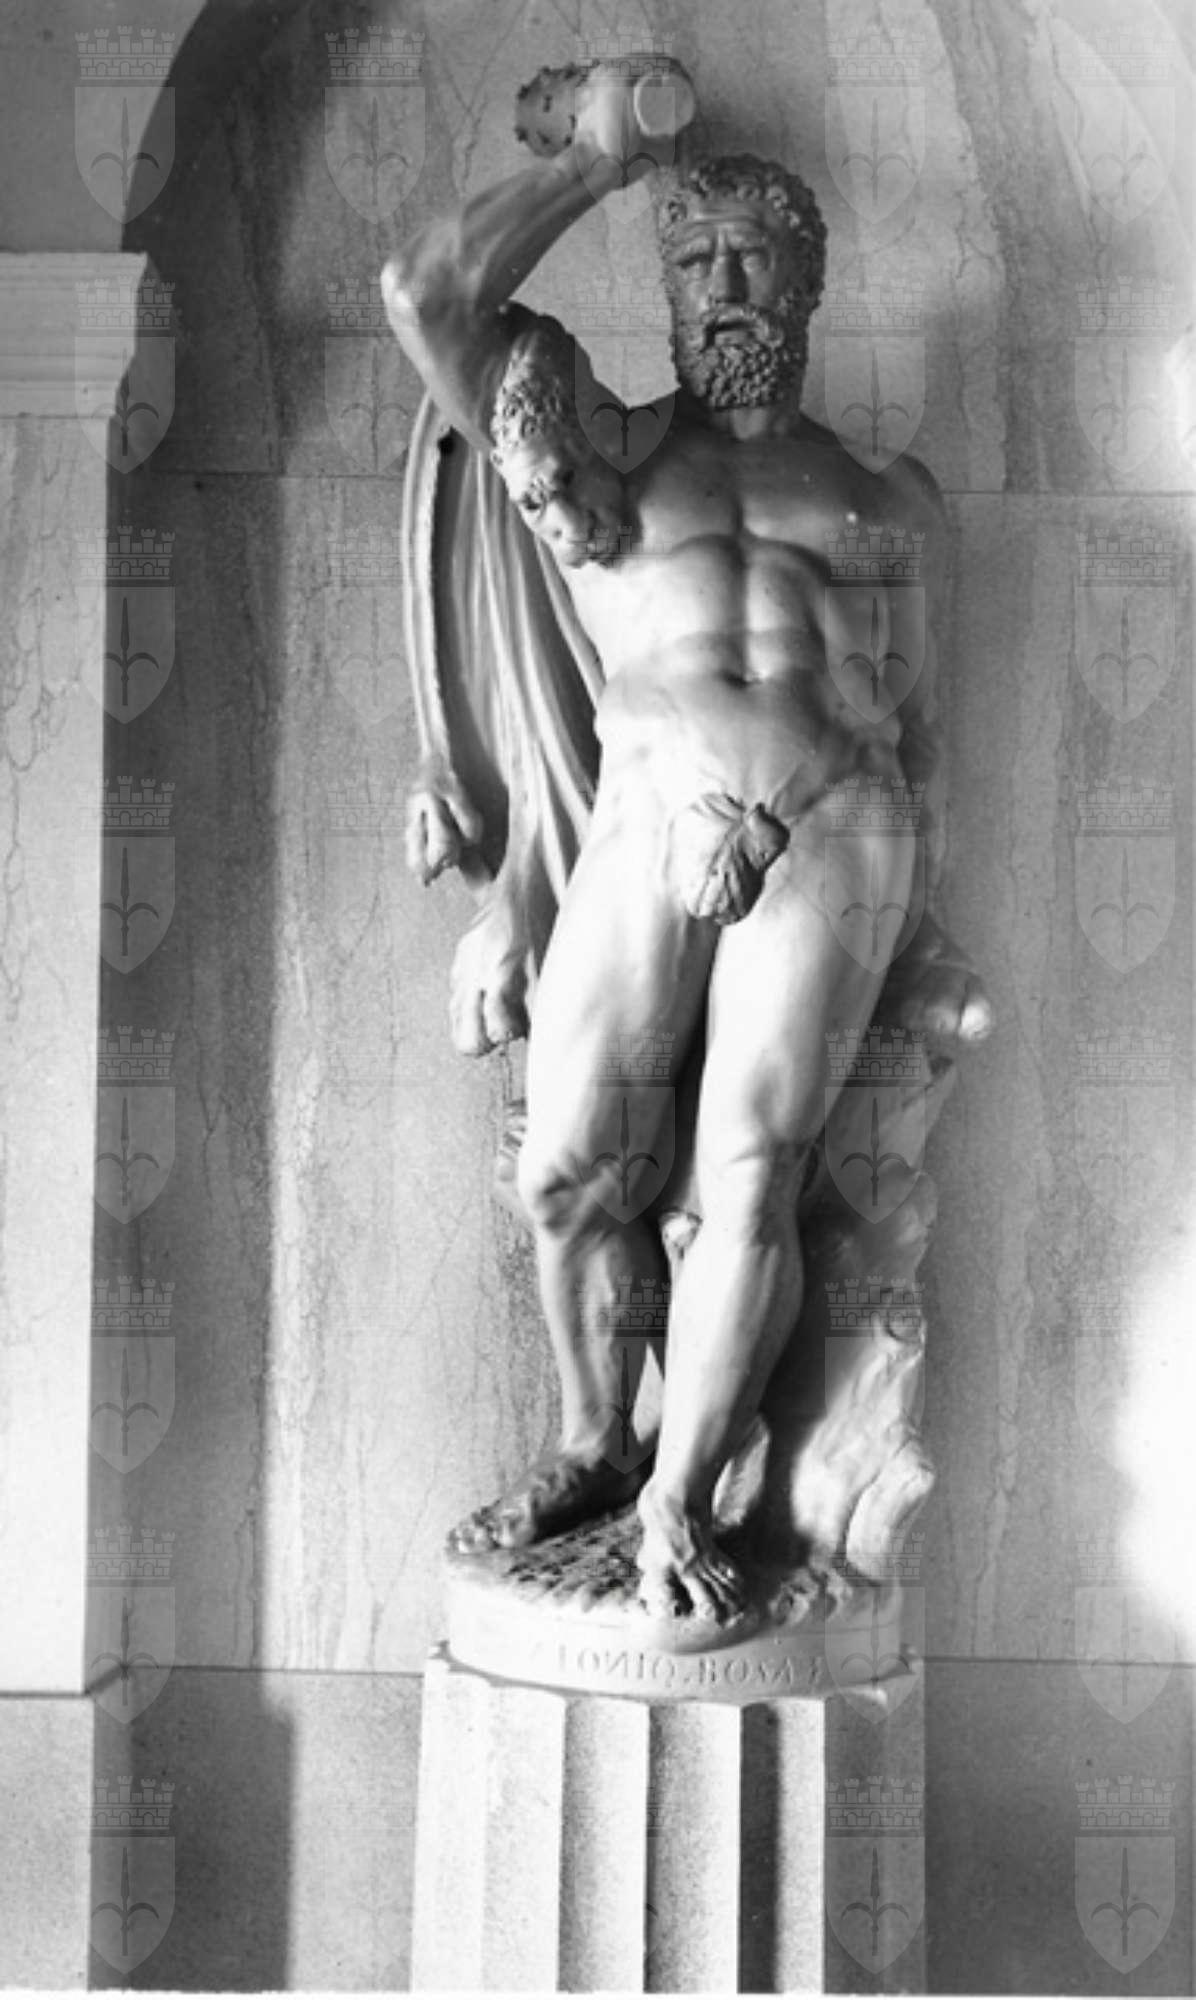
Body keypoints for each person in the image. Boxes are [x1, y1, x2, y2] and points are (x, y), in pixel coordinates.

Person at [383, 70, 989, 1622]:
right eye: (695, 258)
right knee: (565, 1173)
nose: (723, 285)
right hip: (648, 812)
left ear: (806, 285)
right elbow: (425, 296)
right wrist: (600, 157)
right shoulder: (601, 455)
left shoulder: (885, 497)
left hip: (833, 834)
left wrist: (908, 919)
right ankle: (596, 1437)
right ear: (662, 286)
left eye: (753, 260)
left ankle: (677, 1502)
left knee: (749, 1173)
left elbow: (918, 727)